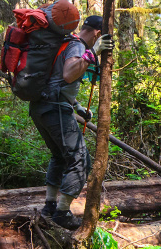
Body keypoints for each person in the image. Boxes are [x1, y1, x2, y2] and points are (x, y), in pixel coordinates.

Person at [32, 12, 114, 229]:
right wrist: (94, 52)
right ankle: (61, 213)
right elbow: (69, 74)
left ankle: (50, 206)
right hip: (54, 109)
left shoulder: (66, 42)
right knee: (81, 160)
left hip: (41, 107)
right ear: (98, 34)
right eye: (99, 38)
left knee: (59, 156)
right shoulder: (78, 45)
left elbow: (57, 80)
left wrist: (77, 106)